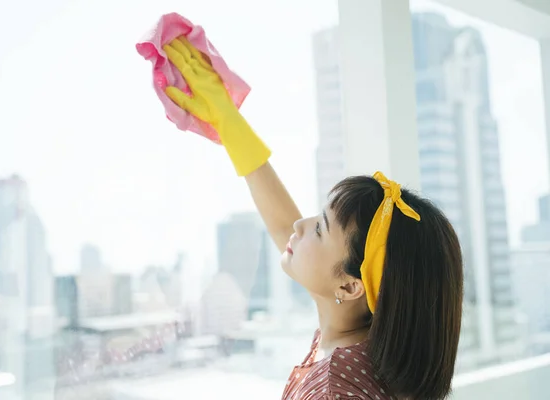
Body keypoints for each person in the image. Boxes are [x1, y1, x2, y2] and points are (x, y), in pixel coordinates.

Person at [161, 37, 464, 400]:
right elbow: (290, 233)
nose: (298, 225)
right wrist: (230, 125)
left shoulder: (333, 389)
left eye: (319, 228)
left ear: (351, 286)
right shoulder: (363, 344)